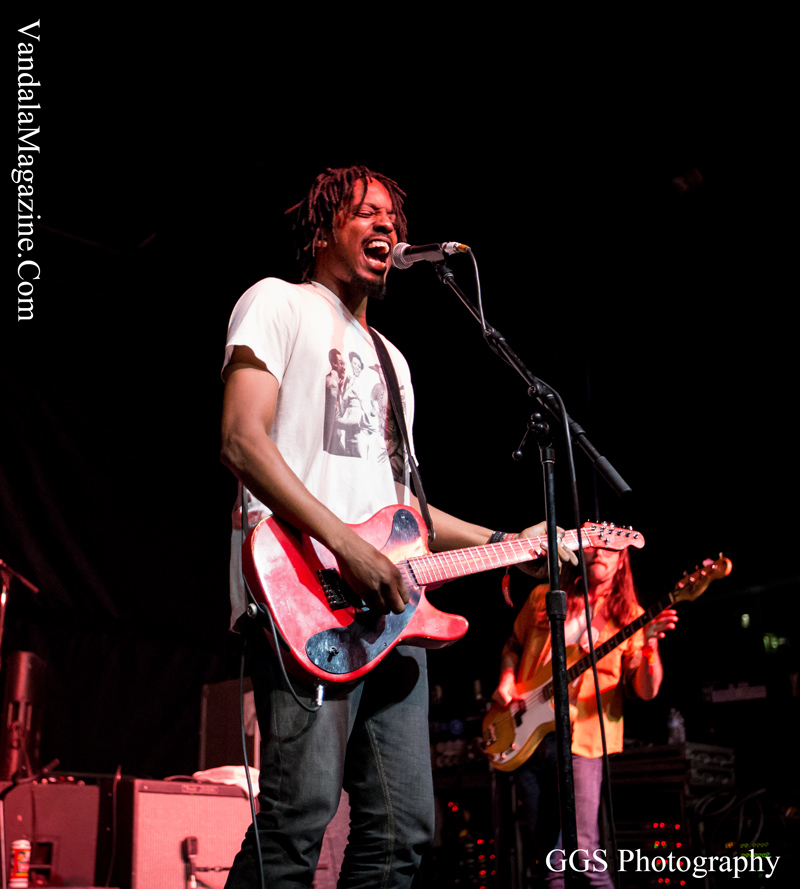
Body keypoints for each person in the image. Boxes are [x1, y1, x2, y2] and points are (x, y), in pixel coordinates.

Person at [219, 164, 577, 889]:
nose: (388, 226)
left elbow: (408, 512)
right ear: (322, 229)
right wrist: (347, 548)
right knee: (296, 820)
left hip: (390, 618)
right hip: (303, 600)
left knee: (403, 830)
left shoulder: (395, 363)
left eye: (394, 218)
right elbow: (241, 440)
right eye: (367, 213)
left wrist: (514, 546)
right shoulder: (277, 303)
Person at [492, 547, 678, 887]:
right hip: (527, 734)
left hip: (584, 740)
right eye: (594, 543)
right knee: (549, 861)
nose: (600, 553)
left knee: (584, 855)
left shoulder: (632, 616)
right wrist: (507, 678)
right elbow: (513, 646)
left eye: (610, 548)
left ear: (623, 559)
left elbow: (646, 690)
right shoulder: (544, 597)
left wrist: (649, 646)